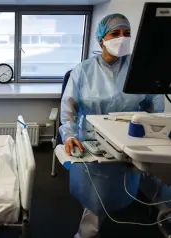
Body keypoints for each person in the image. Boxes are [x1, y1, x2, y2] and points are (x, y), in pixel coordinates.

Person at [59, 13, 165, 238]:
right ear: (101, 40)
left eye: (127, 33)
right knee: (98, 199)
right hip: (95, 141)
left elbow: (155, 105)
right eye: (115, 33)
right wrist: (68, 136)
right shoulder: (83, 71)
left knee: (158, 181)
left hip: (133, 137)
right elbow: (69, 110)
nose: (122, 38)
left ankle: (163, 216)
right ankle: (87, 233)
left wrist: (155, 133)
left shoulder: (139, 70)